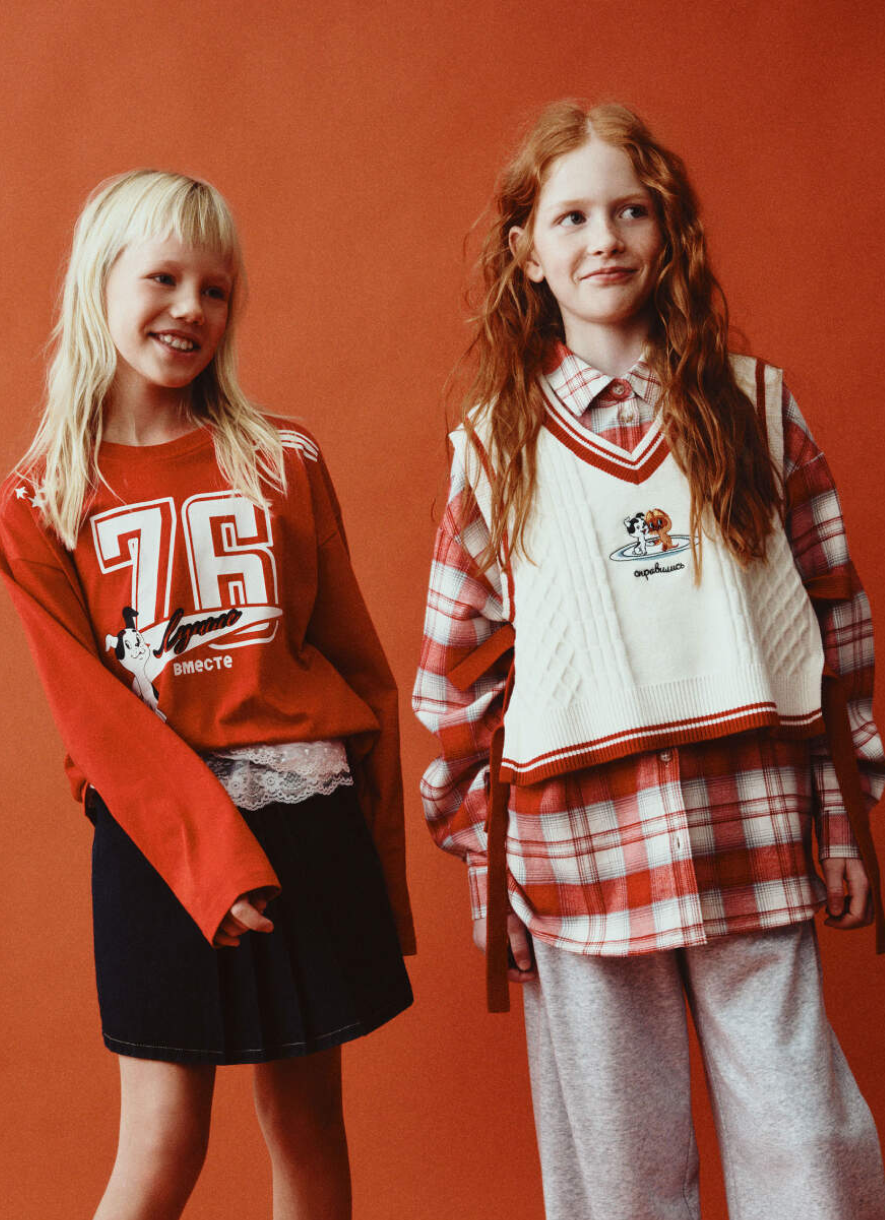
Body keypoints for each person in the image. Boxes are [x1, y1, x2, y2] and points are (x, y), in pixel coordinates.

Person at [412, 101, 885, 1220]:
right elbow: (455, 683)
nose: (604, 239)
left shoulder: (755, 407)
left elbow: (834, 625)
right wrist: (489, 870)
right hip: (575, 854)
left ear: (667, 230)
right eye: (571, 217)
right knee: (620, 1179)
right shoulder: (495, 446)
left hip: (749, 825)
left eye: (630, 211)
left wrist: (845, 813)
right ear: (528, 251)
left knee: (804, 1146)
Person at [0, 169, 415, 1220]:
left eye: (215, 288)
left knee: (308, 1123)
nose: (190, 308)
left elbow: (358, 669)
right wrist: (211, 861)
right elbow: (92, 713)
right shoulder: (38, 496)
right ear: (98, 283)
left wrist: (380, 869)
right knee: (161, 1144)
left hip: (306, 821)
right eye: (163, 278)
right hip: (157, 843)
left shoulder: (285, 459)